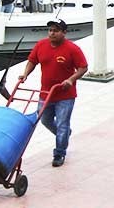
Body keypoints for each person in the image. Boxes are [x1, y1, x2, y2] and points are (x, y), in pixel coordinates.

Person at [18, 19, 88, 167]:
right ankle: (64, 135)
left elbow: (83, 67)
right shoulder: (41, 45)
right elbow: (32, 61)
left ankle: (59, 153)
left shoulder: (72, 49)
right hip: (46, 93)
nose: (52, 33)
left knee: (62, 124)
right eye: (50, 30)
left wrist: (71, 79)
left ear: (64, 33)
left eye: (56, 30)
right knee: (45, 120)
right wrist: (25, 74)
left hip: (65, 96)